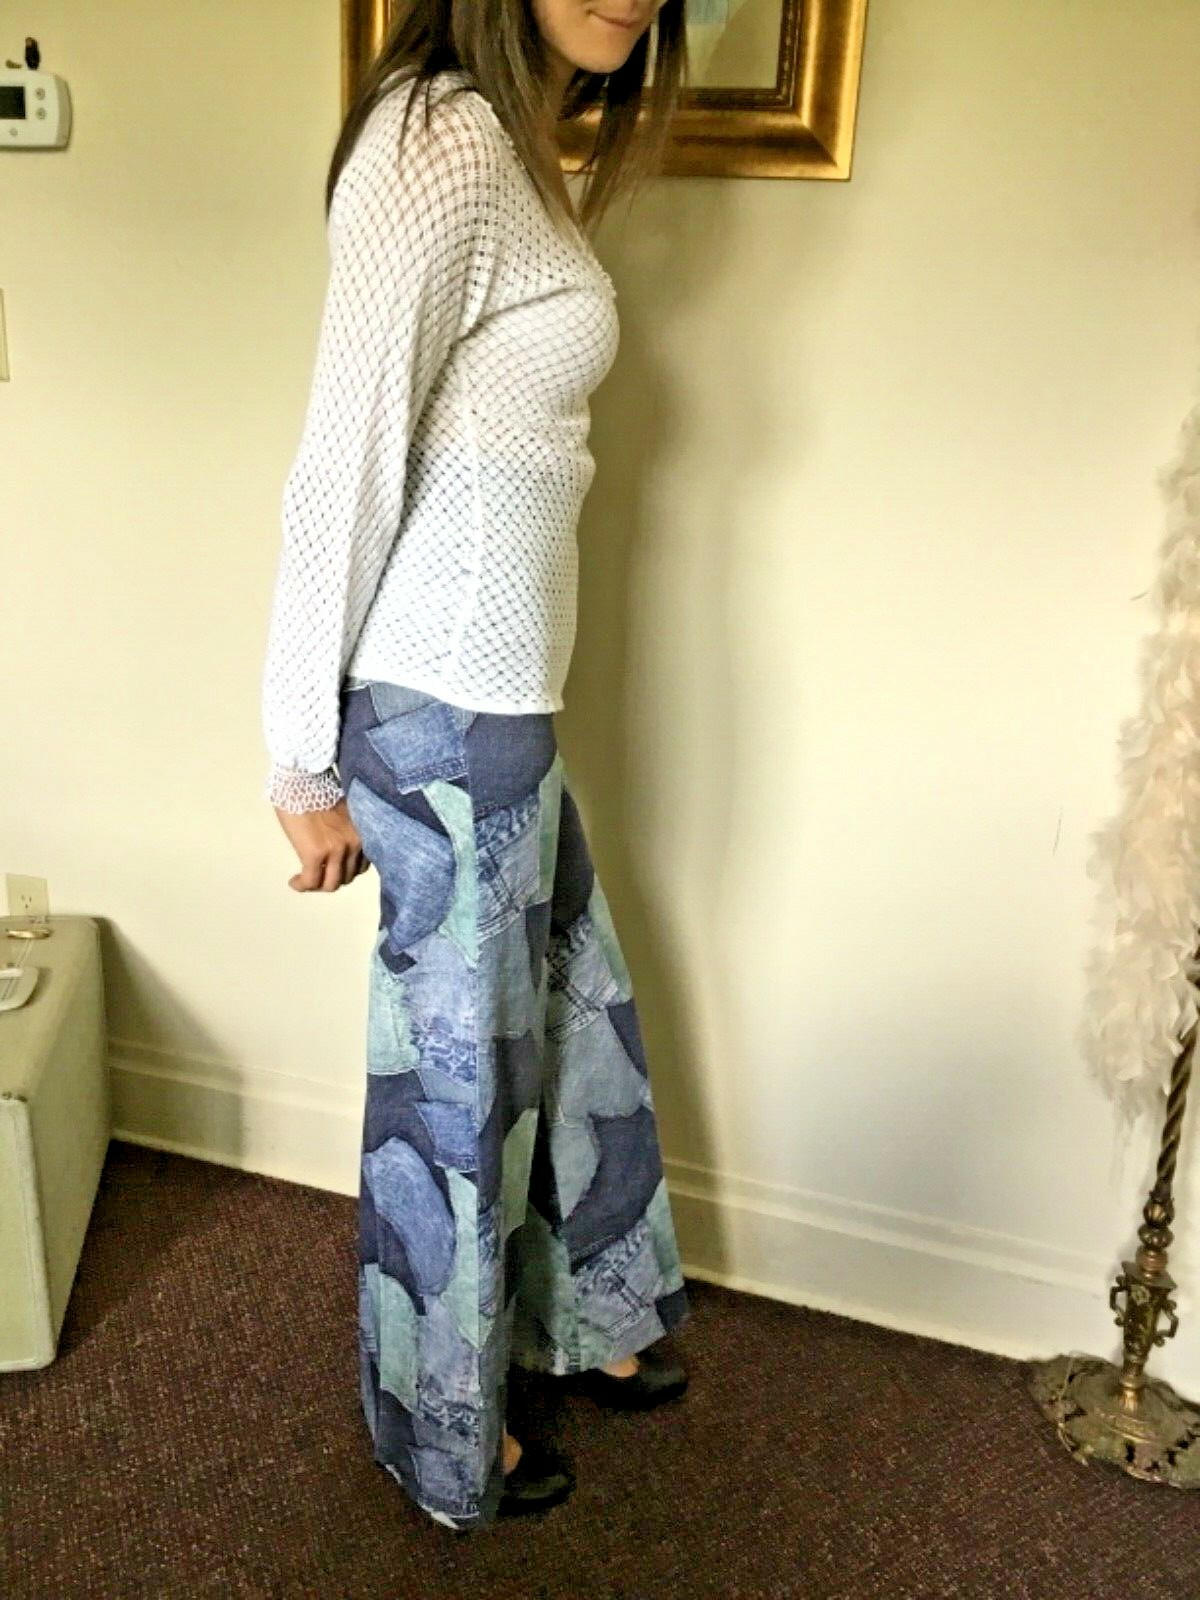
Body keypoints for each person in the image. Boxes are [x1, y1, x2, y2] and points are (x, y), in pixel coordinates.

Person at [260, 0, 692, 1532]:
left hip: (501, 702)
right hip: (436, 709)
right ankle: (441, 1431)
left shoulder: (516, 146)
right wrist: (299, 759)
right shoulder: (434, 139)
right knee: (456, 1102)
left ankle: (584, 1316)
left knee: (570, 1016)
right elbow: (346, 455)